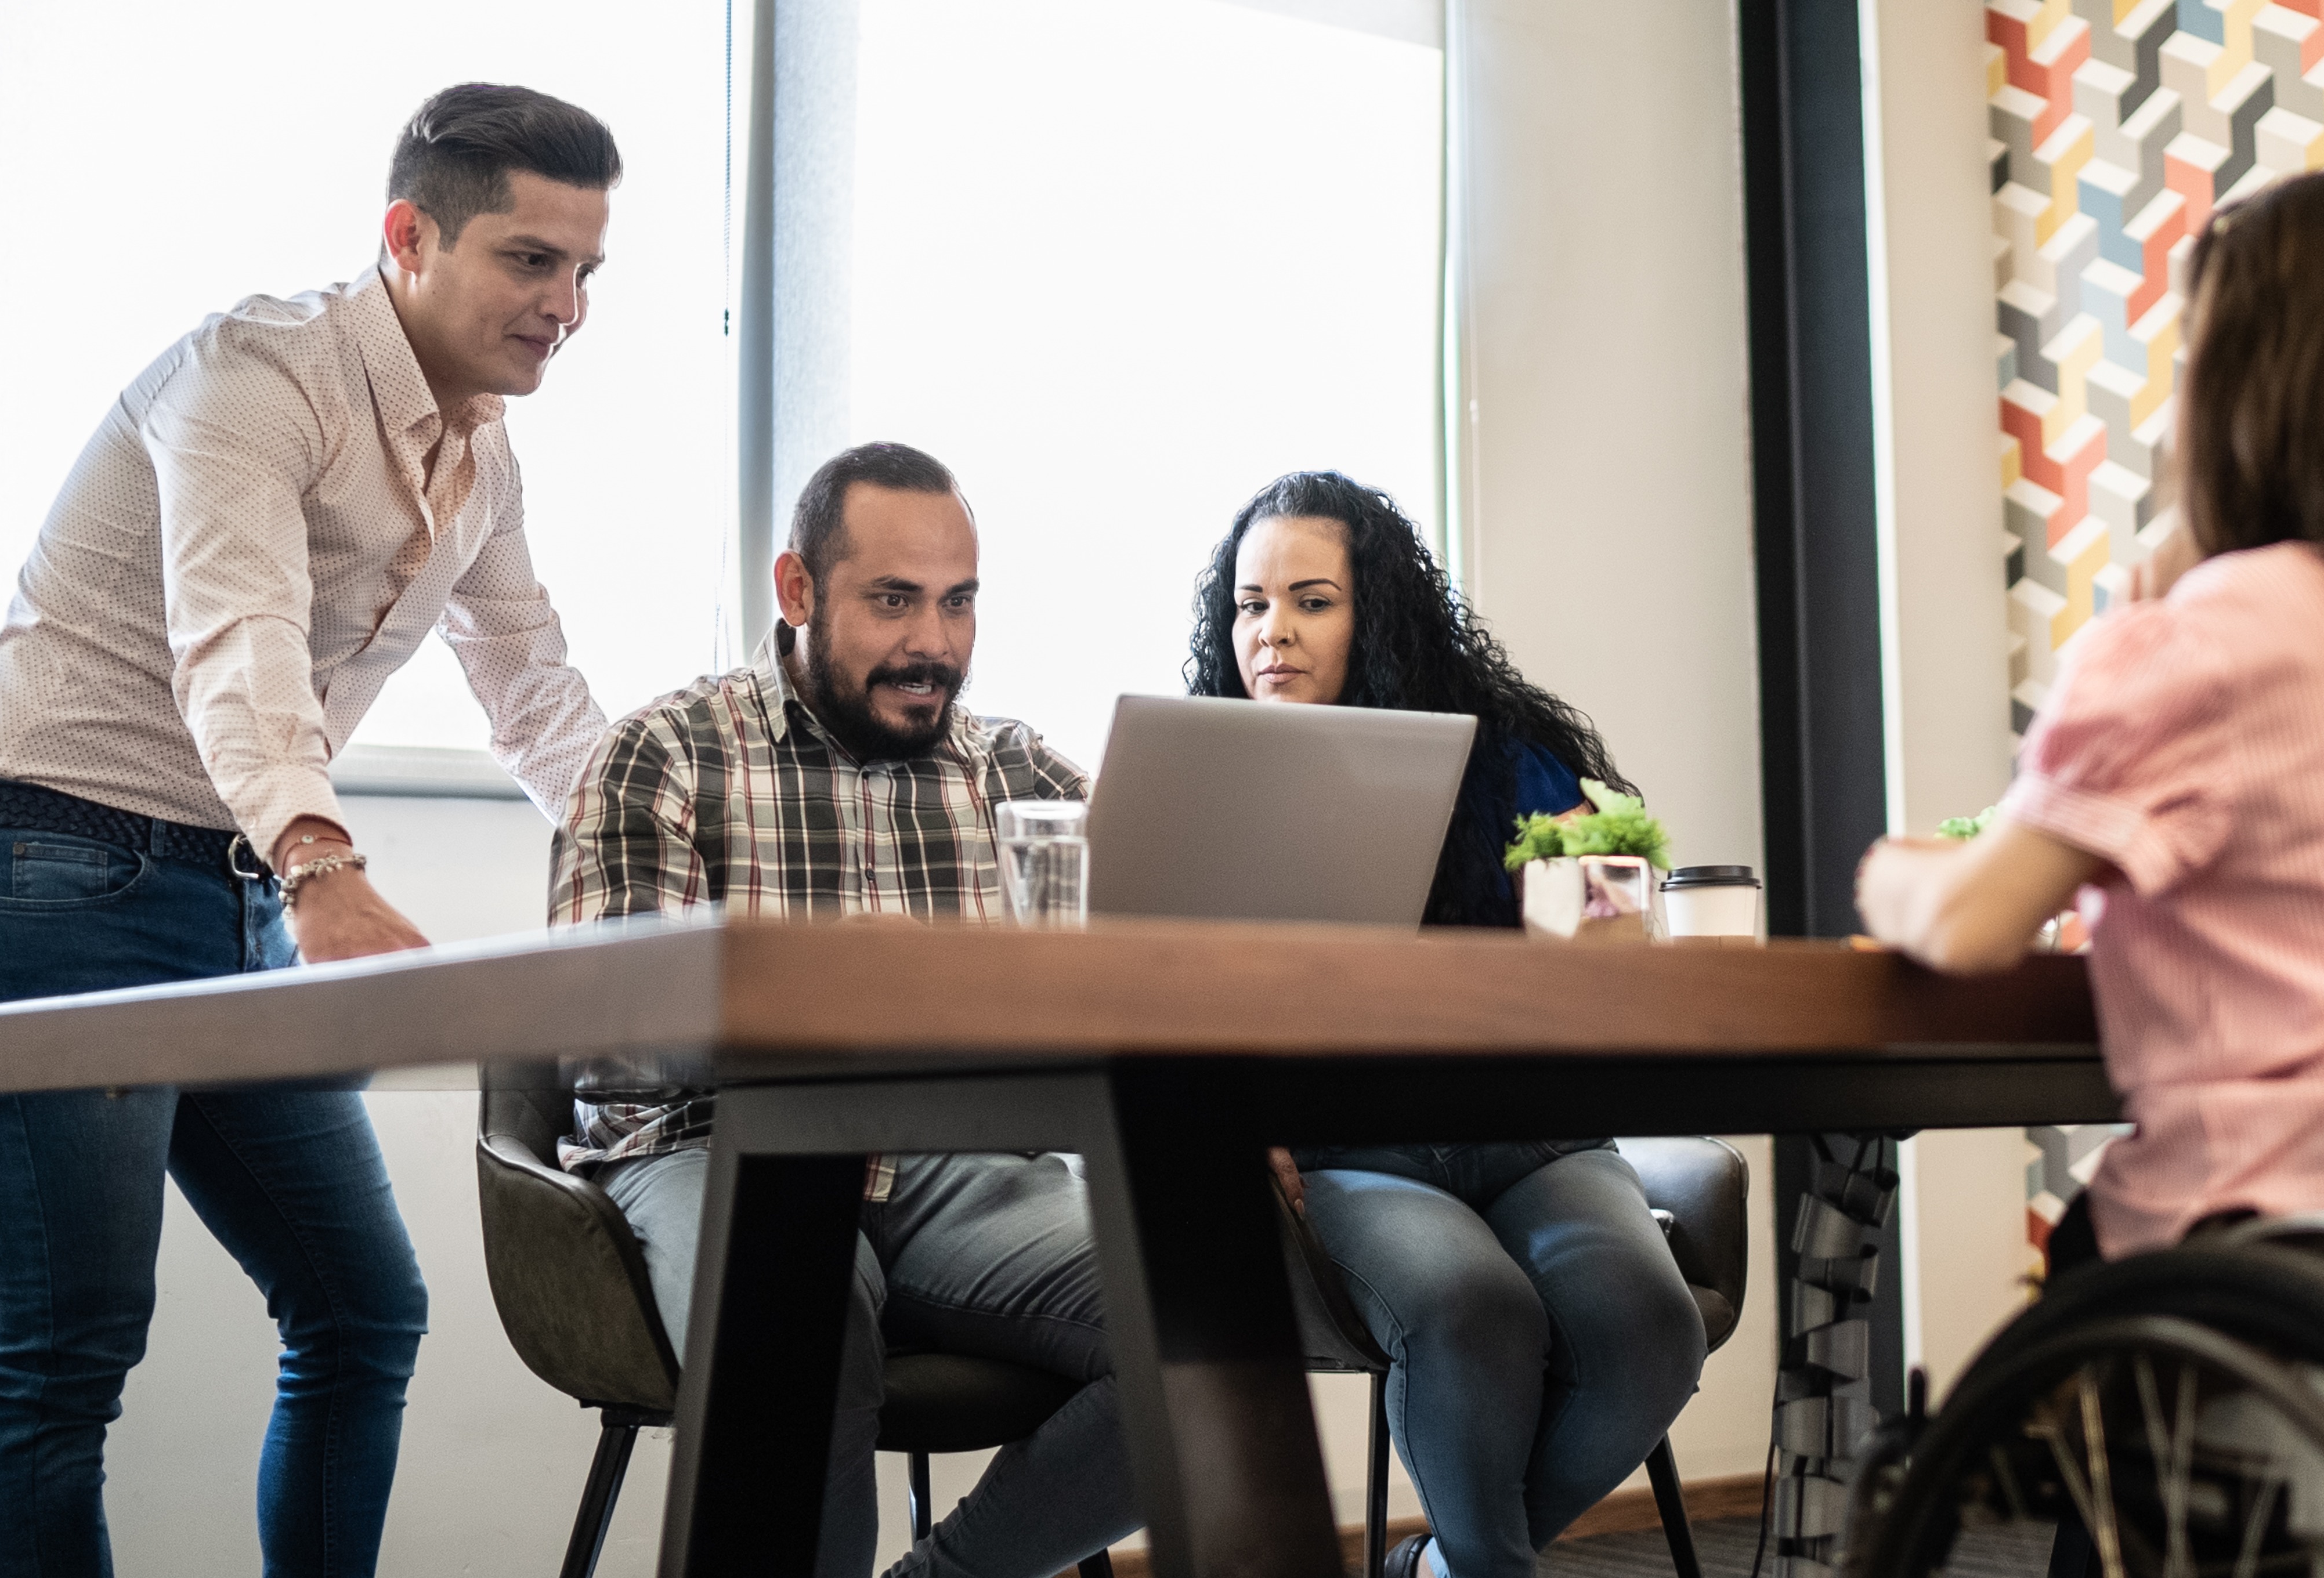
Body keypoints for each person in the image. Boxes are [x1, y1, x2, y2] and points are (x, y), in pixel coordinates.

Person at [0, 85, 622, 1576]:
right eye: (531, 260)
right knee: (68, 1357)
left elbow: (533, 686)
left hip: (224, 895)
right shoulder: (255, 380)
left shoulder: (482, 461)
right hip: (51, 873)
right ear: (408, 236)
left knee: (364, 1308)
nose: (565, 306)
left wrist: (668, 852)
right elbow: (237, 636)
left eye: (585, 272)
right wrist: (320, 863)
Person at [1856, 168, 2324, 1273]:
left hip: (2302, 1219)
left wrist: (1892, 872)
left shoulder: (2216, 639)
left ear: (2241, 390)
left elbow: (1972, 925)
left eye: (2188, 360)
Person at [552, 441, 1134, 1578]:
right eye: (894, 601)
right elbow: (607, 1025)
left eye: (959, 602)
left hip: (949, 1162)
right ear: (798, 592)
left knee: (1210, 1309)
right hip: (714, 1143)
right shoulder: (665, 752)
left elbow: (1151, 963)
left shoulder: (1020, 777)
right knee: (800, 1313)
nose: (935, 643)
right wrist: (814, 994)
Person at [1181, 470, 1707, 1578]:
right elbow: (1160, 998)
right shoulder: (1199, 777)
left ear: (1379, 613)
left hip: (1533, 1139)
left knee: (1649, 1330)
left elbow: (1611, 947)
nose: (1271, 633)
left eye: (1311, 601)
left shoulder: (1507, 751)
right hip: (1343, 1159)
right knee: (1473, 1307)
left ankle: (1440, 1571)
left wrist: (1597, 892)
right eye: (1249, 604)